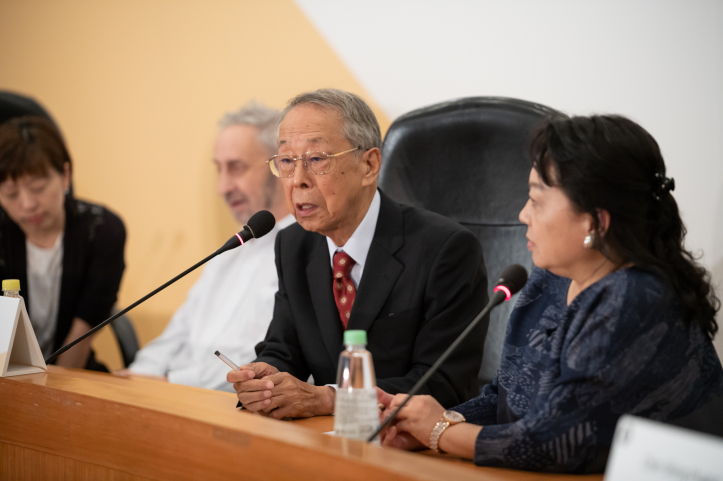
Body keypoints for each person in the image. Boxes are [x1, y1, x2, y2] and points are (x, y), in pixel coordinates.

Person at [378, 114, 723, 473]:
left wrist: (440, 431)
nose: (523, 214)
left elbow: (554, 441)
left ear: (595, 221)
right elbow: (505, 399)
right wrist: (414, 422)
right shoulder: (549, 280)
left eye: (537, 201)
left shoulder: (634, 300)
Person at [227, 89, 488, 418]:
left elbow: (445, 384)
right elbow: (284, 347)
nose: (298, 181)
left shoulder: (445, 249)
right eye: (287, 162)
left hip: (409, 449)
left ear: (369, 164)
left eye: (317, 160)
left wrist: (331, 399)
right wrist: (263, 376)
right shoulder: (294, 244)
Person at [121, 101, 293, 391]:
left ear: (279, 166)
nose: (222, 187)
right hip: (175, 397)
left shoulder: (306, 253)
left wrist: (170, 382)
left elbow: (263, 364)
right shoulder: (230, 251)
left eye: (236, 168)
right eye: (219, 170)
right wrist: (135, 377)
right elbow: (175, 337)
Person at [0, 115, 126, 371]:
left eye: (37, 187)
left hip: (69, 373)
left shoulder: (103, 232)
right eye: (10, 194)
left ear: (65, 176)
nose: (27, 204)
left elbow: (80, 337)